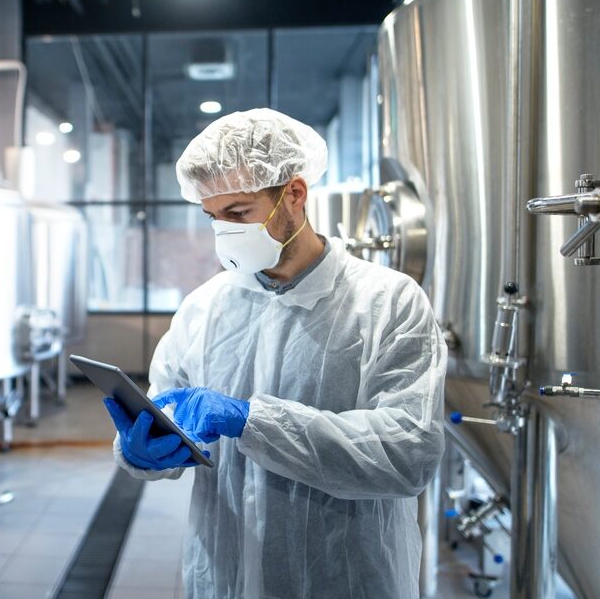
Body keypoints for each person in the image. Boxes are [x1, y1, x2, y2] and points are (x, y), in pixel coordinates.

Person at [102, 108, 446, 598]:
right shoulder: (204, 308)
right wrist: (144, 449)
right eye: (213, 217)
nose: (224, 232)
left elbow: (408, 453)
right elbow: (168, 414)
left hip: (345, 576)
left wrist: (251, 420)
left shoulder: (387, 302)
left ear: (294, 194)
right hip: (224, 576)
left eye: (239, 213)